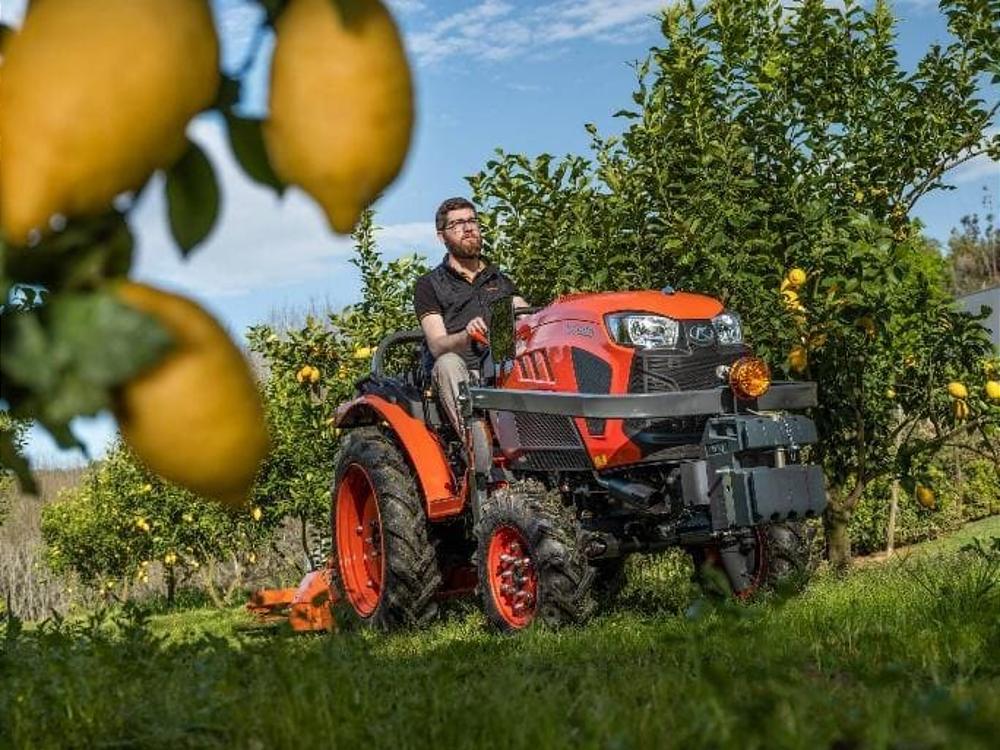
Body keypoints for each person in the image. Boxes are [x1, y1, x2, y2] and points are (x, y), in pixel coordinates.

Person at [413, 197, 528, 438]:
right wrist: (467, 335)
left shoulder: (500, 281)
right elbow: (436, 345)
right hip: (462, 374)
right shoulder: (429, 285)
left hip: (502, 368)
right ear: (441, 236)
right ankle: (476, 446)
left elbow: (527, 318)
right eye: (457, 224)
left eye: (472, 221)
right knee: (447, 362)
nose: (467, 228)